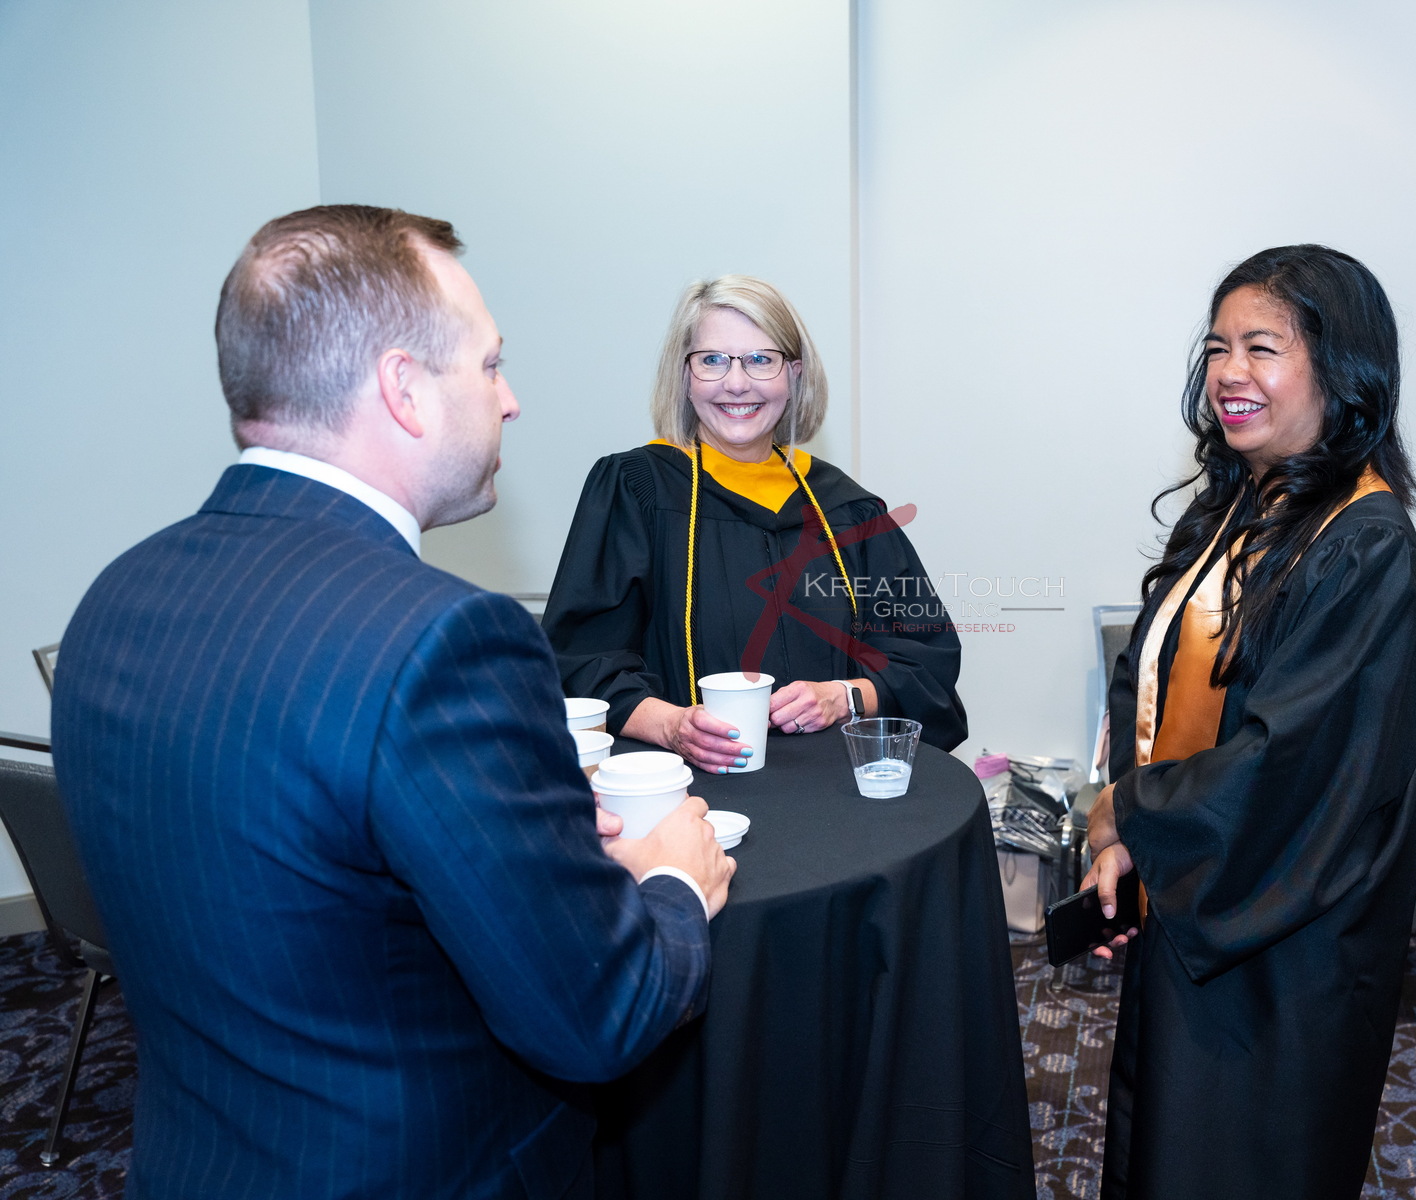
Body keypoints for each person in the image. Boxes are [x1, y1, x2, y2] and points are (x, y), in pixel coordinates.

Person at [50, 205, 735, 1200]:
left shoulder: (116, 596)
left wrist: (524, 831)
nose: (510, 402)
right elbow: (600, 1015)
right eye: (490, 365)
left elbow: (289, 865)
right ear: (404, 388)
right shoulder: (445, 639)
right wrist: (673, 881)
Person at [1084, 245, 1416, 1199]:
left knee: (1236, 1160)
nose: (1228, 373)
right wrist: (1133, 837)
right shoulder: (1236, 507)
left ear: (1340, 369)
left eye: (1261, 348)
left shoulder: (1364, 548)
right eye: (1216, 348)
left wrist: (1131, 813)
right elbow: (1148, 677)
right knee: (1166, 1143)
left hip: (1283, 937)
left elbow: (1292, 763)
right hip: (1200, 893)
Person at [542, 276, 965, 772]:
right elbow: (580, 662)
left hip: (839, 794)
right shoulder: (637, 490)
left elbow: (925, 662)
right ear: (684, 376)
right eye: (712, 360)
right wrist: (673, 726)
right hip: (686, 794)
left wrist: (844, 696)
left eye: (761, 359)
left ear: (795, 375)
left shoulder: (846, 508)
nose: (737, 383)